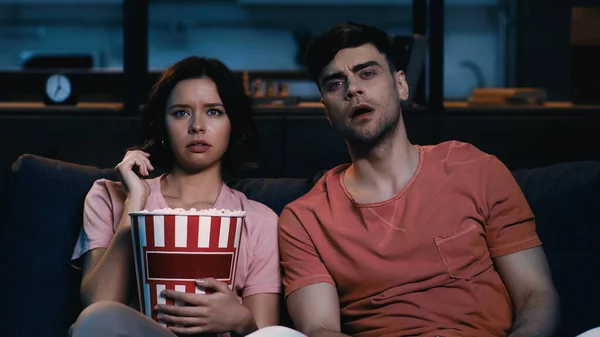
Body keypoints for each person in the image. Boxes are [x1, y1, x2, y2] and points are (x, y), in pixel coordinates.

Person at [278, 22, 562, 337]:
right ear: (327, 111)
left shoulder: (477, 169)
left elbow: (536, 294)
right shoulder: (305, 219)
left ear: (401, 85)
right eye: (335, 83)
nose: (353, 89)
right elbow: (319, 328)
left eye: (367, 73)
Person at [69, 56, 300, 337]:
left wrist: (239, 320)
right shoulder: (110, 196)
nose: (197, 126)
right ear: (163, 127)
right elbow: (98, 306)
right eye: (181, 113)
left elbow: (264, 333)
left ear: (233, 124)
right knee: (95, 318)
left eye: (214, 112)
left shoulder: (260, 220)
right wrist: (135, 205)